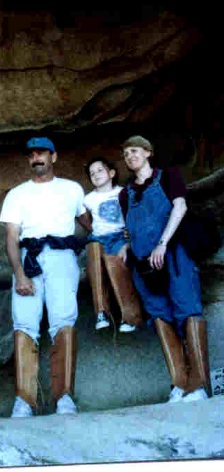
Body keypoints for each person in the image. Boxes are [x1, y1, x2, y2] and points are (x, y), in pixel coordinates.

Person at [0, 136, 88, 418]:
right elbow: (11, 238)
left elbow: (90, 224)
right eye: (32, 154)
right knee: (24, 323)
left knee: (64, 319)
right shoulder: (17, 194)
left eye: (41, 153)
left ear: (53, 156)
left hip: (62, 255)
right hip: (30, 257)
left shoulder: (72, 189)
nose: (36, 158)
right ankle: (25, 400)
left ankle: (64, 397)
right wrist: (19, 275)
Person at [118, 135, 210, 403]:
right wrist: (127, 245)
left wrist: (162, 244)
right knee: (160, 315)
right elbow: (130, 226)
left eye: (135, 151)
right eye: (126, 153)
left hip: (173, 254)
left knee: (187, 309)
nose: (130, 156)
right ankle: (179, 383)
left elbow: (180, 208)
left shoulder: (168, 176)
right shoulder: (125, 193)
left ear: (148, 152)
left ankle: (199, 385)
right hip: (144, 264)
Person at [83, 157, 144, 332]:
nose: (95, 175)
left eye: (99, 170)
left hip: (119, 237)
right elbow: (85, 220)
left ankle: (130, 315)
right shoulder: (88, 199)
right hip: (99, 238)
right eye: (92, 173)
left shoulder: (122, 192)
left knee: (117, 265)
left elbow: (133, 215)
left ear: (111, 173)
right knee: (95, 257)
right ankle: (101, 312)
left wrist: (129, 241)